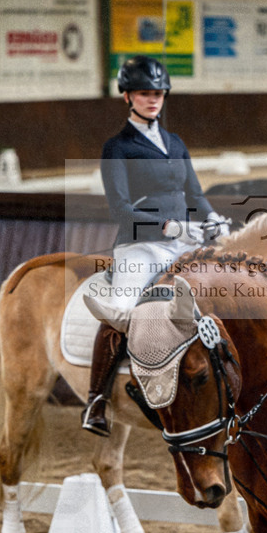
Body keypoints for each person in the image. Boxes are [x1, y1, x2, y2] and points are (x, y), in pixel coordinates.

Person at [80, 55, 228, 437]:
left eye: (159, 93)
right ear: (127, 96)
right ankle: (97, 398)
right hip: (139, 247)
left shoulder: (175, 142)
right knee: (121, 310)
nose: (153, 100)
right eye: (145, 94)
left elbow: (194, 192)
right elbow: (120, 209)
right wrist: (167, 225)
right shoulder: (118, 147)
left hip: (182, 245)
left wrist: (210, 218)